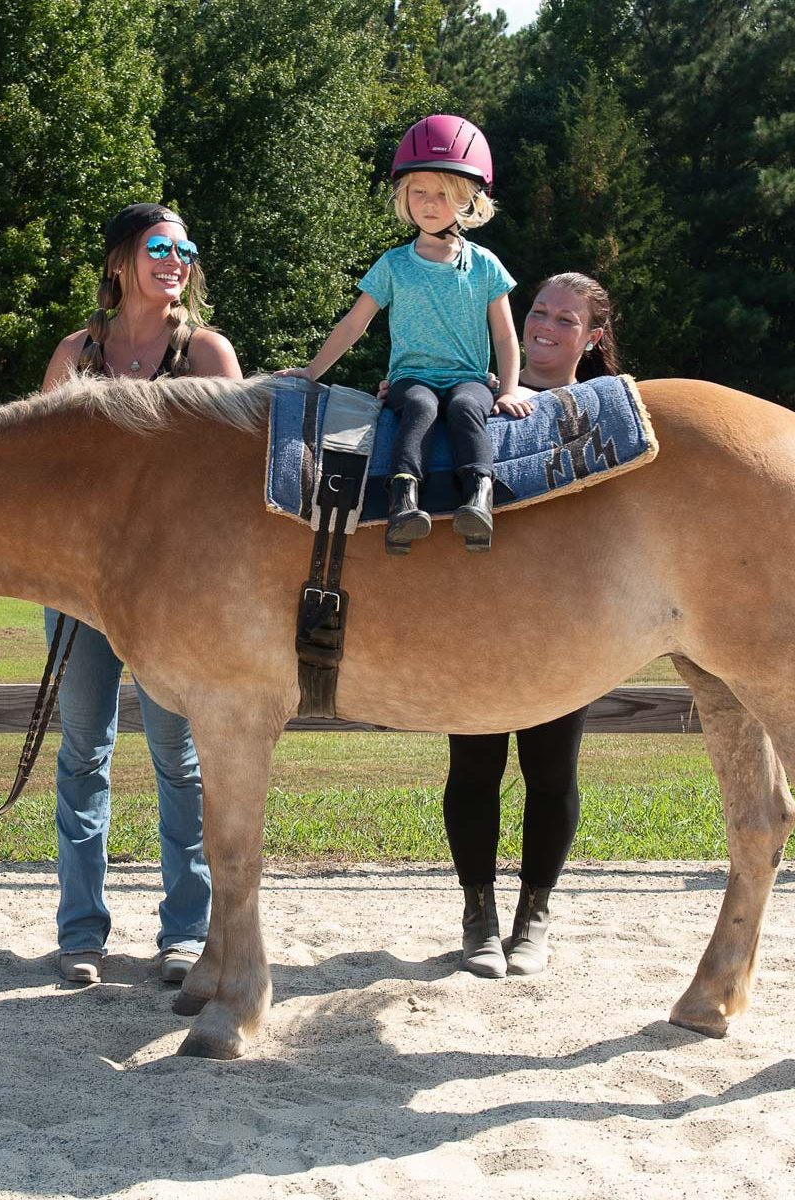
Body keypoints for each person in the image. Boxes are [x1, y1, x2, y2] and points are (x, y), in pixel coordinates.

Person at [36, 202, 242, 987]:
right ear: (121, 261)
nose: (178, 258)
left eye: (187, 247)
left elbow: (234, 480)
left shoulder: (208, 354)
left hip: (177, 599)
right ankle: (80, 931)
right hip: (80, 590)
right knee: (83, 755)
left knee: (179, 760)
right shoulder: (73, 355)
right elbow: (41, 476)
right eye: (161, 246)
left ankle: (184, 932)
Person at [441, 271, 624, 977]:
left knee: (553, 773)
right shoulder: (477, 393)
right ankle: (478, 915)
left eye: (567, 319)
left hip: (564, 623)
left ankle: (534, 916)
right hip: (479, 617)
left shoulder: (605, 410)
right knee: (474, 768)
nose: (546, 326)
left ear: (594, 336)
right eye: (539, 311)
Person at [279, 114, 529, 555]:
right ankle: (403, 500)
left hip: (468, 375)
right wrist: (312, 370)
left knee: (470, 406)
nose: (429, 203)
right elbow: (354, 324)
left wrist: (507, 390)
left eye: (443, 194)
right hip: (411, 376)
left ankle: (478, 497)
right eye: (419, 192)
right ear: (403, 197)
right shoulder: (394, 264)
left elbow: (506, 337)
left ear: (469, 200)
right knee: (419, 406)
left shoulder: (486, 264)